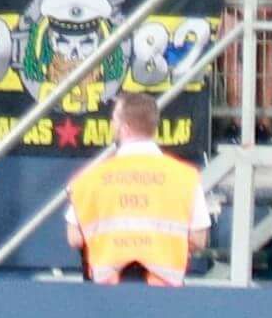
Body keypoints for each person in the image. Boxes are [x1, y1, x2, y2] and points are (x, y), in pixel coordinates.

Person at [59, 90, 204, 284]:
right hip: (166, 291)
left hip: (107, 291)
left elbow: (74, 238)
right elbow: (198, 239)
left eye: (114, 120)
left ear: (123, 127)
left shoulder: (89, 179)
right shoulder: (186, 177)